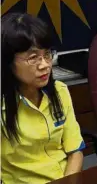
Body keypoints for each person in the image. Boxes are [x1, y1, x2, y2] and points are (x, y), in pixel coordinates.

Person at [1, 13, 85, 183]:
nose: (45, 65)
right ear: (8, 62)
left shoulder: (60, 92)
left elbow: (75, 151)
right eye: (33, 58)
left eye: (47, 54)